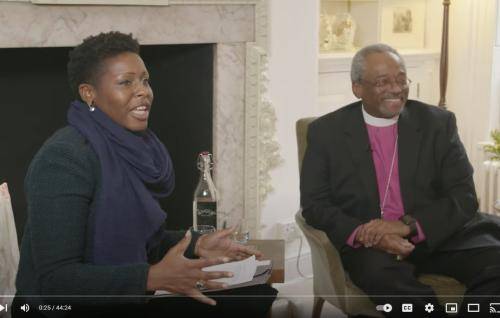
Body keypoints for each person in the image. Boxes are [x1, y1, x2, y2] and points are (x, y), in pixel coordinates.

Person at [13, 31, 276, 318]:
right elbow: (55, 281)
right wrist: (152, 278)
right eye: (126, 82)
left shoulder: (133, 147)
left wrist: (197, 244)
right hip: (63, 307)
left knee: (253, 289)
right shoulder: (64, 158)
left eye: (145, 80)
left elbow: (142, 241)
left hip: (126, 287)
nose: (143, 91)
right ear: (89, 93)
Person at [300, 43, 500, 316]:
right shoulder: (326, 132)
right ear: (357, 87)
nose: (396, 88)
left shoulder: (438, 123)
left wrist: (406, 226)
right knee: (386, 283)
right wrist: (365, 233)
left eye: (401, 79)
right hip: (372, 244)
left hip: (436, 233)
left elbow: (463, 196)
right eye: (382, 82)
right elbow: (315, 204)